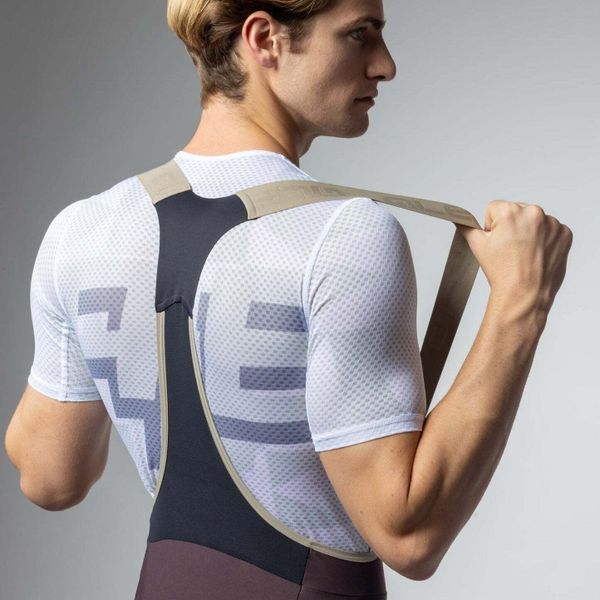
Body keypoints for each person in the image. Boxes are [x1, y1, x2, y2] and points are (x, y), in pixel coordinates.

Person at [4, 0, 573, 597]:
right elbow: (410, 534)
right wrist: (521, 299)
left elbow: (49, 478)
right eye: (359, 34)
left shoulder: (83, 230)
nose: (385, 65)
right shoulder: (343, 235)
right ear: (264, 38)